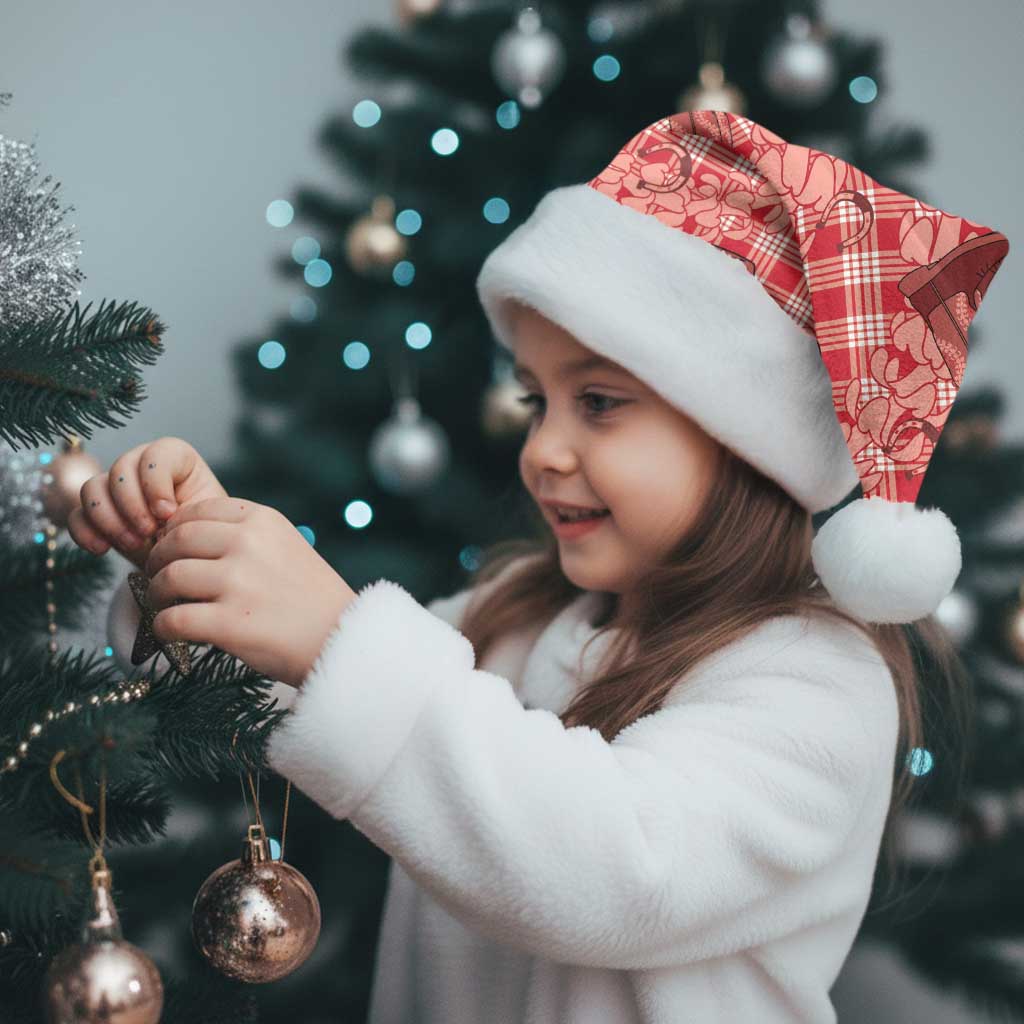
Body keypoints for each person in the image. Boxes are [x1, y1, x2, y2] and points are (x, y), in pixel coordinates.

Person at [74, 109, 1009, 1023]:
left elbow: (615, 871)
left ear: (746, 441)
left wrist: (335, 635)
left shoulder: (818, 683)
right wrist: (191, 565)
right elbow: (307, 691)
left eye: (598, 403)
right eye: (535, 401)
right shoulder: (515, 616)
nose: (543, 451)